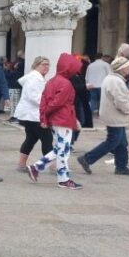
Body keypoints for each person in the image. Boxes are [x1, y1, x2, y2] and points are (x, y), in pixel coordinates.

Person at [27, 53, 83, 190]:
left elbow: (44, 101)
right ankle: (63, 179)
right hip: (63, 119)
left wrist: (44, 118)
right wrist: (45, 116)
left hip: (57, 120)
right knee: (63, 150)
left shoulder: (52, 81)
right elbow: (57, 103)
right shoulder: (66, 83)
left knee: (60, 148)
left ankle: (37, 167)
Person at [77, 57, 129, 176]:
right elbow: (121, 102)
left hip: (112, 115)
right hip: (115, 116)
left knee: (122, 142)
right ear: (122, 69)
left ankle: (121, 166)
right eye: (128, 66)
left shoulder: (112, 78)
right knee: (113, 141)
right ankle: (87, 158)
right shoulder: (116, 81)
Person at [15, 57, 53, 172]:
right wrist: (50, 105)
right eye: (43, 64)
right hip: (34, 115)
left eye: (48, 64)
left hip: (32, 114)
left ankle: (21, 165)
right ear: (36, 65)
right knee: (47, 139)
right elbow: (34, 97)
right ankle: (53, 167)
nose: (46, 67)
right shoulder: (34, 79)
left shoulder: (36, 77)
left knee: (31, 138)